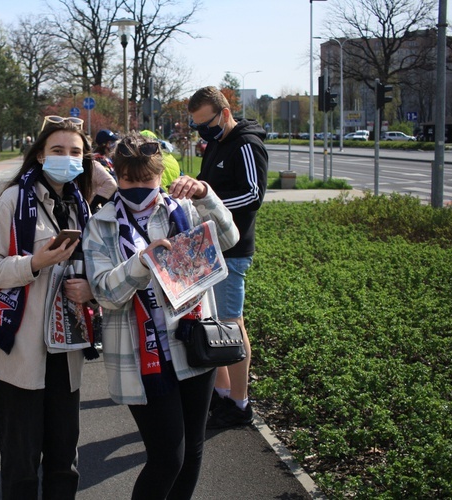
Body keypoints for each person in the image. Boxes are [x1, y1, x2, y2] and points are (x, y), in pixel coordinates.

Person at [83, 132, 239, 499]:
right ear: (117, 176)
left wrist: (205, 194)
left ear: (160, 175)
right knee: (168, 456)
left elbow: (230, 238)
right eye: (128, 179)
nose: (137, 187)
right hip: (142, 357)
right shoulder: (101, 225)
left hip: (193, 344)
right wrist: (142, 262)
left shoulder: (181, 208)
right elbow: (105, 293)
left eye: (146, 179)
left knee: (193, 451)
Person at [0, 115, 95, 500]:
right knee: (21, 467)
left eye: (76, 152)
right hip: (18, 352)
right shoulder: (12, 199)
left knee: (63, 463)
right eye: (57, 150)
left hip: (64, 349)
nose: (67, 158)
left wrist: (89, 288)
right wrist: (32, 264)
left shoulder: (80, 205)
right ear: (40, 155)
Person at [188, 86, 268, 429]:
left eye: (206, 123)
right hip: (210, 247)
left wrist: (206, 202)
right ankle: (222, 395)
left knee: (231, 324)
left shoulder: (247, 144)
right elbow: (209, 186)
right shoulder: (217, 142)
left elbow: (252, 194)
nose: (202, 132)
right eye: (196, 127)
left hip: (233, 250)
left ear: (224, 112)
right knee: (213, 324)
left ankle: (240, 402)